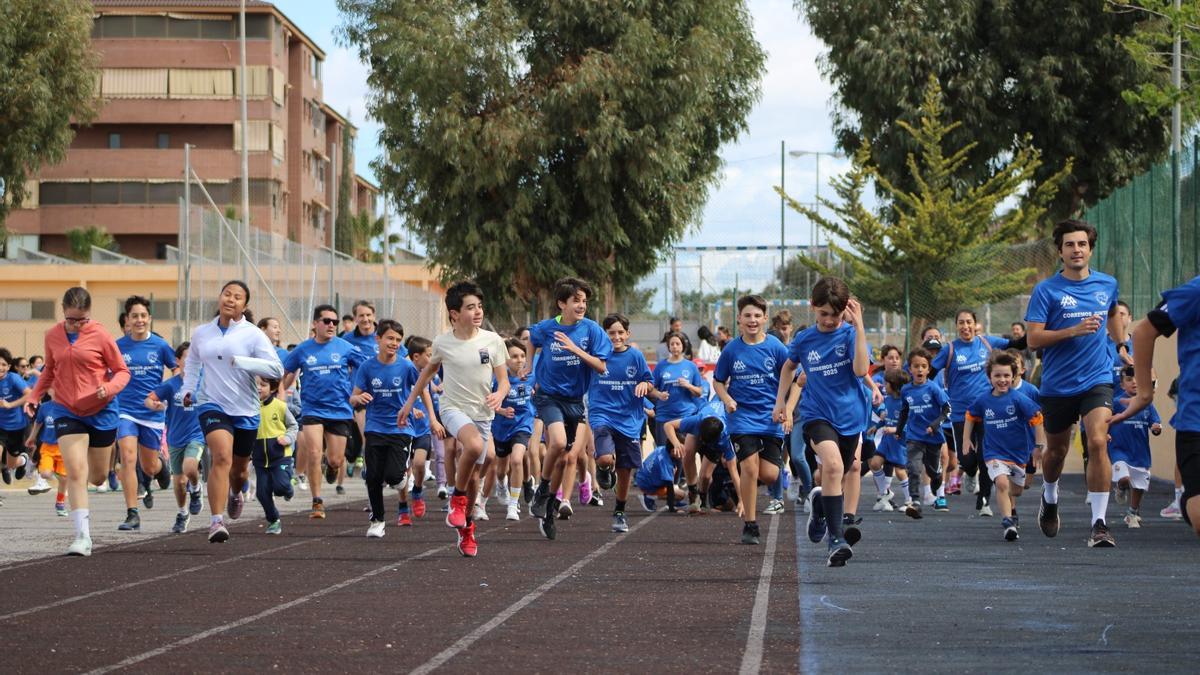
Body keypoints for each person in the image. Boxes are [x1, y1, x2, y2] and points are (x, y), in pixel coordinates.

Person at [1025, 219, 1124, 547]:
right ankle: (1050, 497)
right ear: (1060, 251)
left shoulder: (1107, 284)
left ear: (1090, 249)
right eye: (1069, 245)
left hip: (1097, 379)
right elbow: (1034, 339)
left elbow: (1112, 314)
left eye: (1082, 244)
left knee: (1097, 442)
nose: (1076, 250)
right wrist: (1073, 330)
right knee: (1056, 452)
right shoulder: (1046, 290)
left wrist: (1121, 346)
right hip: (1057, 385)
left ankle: (1099, 523)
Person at [397, 281, 509, 557]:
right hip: (453, 408)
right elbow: (427, 372)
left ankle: (467, 527)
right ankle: (456, 499)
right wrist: (409, 403)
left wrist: (500, 395)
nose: (478, 311)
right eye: (471, 307)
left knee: (473, 478)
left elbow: (504, 381)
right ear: (454, 314)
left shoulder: (492, 341)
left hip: (483, 413)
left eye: (480, 306)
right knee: (470, 448)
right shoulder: (443, 342)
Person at [26, 287, 131, 556]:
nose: (76, 325)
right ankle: (82, 536)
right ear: (63, 311)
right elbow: (50, 369)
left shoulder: (101, 335)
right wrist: (35, 396)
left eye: (81, 319)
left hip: (101, 409)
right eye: (71, 319)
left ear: (89, 314)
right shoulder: (53, 336)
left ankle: (105, 472)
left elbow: (122, 371)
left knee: (96, 477)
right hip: (66, 409)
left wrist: (108, 389)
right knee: (75, 470)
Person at [774, 278, 870, 566]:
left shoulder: (851, 335)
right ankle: (836, 539)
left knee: (834, 478)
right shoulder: (804, 340)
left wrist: (859, 326)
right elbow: (789, 367)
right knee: (834, 465)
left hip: (851, 417)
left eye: (836, 315)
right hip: (817, 414)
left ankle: (819, 508)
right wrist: (781, 402)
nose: (829, 321)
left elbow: (861, 369)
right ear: (813, 307)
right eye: (823, 314)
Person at [182, 280, 283, 543]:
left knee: (238, 471)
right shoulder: (202, 333)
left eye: (237, 297)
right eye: (227, 294)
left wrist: (244, 363)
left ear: (244, 305)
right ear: (219, 297)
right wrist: (188, 389)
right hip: (211, 404)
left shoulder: (252, 334)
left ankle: (235, 492)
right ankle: (216, 522)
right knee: (221, 457)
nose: (230, 299)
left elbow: (276, 370)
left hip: (246, 409)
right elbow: (192, 361)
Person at [1110, 274, 1200, 534]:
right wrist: (1145, 395)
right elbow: (1144, 332)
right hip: (1195, 418)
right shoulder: (1194, 292)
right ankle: (1187, 502)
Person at [527, 278, 612, 541]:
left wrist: (575, 349)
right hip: (549, 397)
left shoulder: (592, 330)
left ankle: (550, 507)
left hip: (576, 401)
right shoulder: (548, 328)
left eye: (585, 301)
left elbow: (601, 366)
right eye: (576, 300)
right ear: (562, 303)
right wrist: (530, 369)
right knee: (558, 444)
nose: (582, 305)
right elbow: (532, 338)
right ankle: (541, 489)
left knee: (566, 459)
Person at [930, 309, 1027, 516]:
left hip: (988, 411)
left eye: (969, 322)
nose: (965, 326)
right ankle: (969, 472)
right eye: (961, 323)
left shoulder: (986, 342)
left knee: (986, 457)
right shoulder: (950, 350)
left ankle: (984, 500)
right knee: (967, 460)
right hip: (960, 414)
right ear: (956, 326)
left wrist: (1037, 328)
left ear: (976, 324)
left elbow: (1018, 345)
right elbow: (928, 373)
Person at [712, 294, 788, 546]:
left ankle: (751, 488)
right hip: (741, 418)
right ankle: (750, 525)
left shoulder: (776, 347)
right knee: (749, 467)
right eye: (747, 316)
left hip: (770, 418)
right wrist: (727, 399)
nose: (752, 320)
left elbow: (790, 375)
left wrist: (784, 406)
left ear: (765, 319)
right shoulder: (732, 349)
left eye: (757, 316)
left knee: (769, 475)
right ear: (739, 319)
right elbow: (718, 381)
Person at [281, 304, 367, 519]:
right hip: (312, 408)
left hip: (339, 410)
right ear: (315, 324)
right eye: (326, 321)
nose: (331, 325)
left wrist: (357, 392)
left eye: (334, 322)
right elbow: (286, 371)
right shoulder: (302, 349)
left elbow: (366, 368)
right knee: (313, 452)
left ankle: (331, 466)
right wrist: (279, 392)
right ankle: (317, 501)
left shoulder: (345, 347)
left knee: (336, 460)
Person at [353, 320, 433, 536]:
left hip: (401, 429)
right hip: (375, 427)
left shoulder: (406, 367)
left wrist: (432, 419)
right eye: (390, 338)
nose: (394, 343)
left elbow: (422, 390)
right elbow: (353, 397)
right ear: (378, 339)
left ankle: (401, 479)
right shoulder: (367, 367)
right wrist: (358, 397)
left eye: (398, 340)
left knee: (394, 477)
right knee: (373, 477)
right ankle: (377, 521)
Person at [963, 352, 1047, 542]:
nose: (1002, 380)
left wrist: (1038, 446)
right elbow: (970, 416)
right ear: (989, 377)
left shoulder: (1019, 399)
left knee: (1017, 490)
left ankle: (1009, 506)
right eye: (997, 376)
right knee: (1001, 483)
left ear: (1014, 376)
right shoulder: (983, 400)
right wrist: (966, 440)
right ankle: (1008, 522)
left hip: (1018, 453)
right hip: (994, 452)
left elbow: (1038, 419)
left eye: (1006, 376)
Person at [114, 295, 177, 531]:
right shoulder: (118, 346)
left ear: (149, 318)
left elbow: (178, 370)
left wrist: (165, 395)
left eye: (143, 316)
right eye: (134, 316)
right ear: (127, 320)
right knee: (128, 458)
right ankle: (132, 513)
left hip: (152, 413)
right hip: (125, 411)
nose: (139, 320)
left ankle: (162, 467)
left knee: (149, 466)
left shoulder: (160, 345)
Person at [588, 314, 655, 531]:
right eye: (611, 333)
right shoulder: (597, 356)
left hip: (629, 420)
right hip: (602, 415)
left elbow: (648, 380)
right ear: (604, 334)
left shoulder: (635, 356)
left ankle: (619, 510)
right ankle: (604, 467)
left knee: (625, 470)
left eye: (620, 332)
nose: (616, 337)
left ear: (627, 334)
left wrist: (645, 385)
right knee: (606, 457)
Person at [145, 342, 206, 533]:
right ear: (178, 361)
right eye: (187, 358)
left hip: (197, 434)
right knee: (179, 482)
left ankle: (196, 489)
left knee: (190, 466)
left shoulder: (205, 381)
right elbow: (149, 398)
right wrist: (153, 405)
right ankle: (182, 513)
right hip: (175, 437)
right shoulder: (171, 385)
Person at [897, 348, 951, 517]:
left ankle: (937, 488)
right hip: (914, 436)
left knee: (933, 471)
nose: (919, 369)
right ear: (910, 369)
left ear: (928, 369)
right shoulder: (906, 390)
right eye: (916, 366)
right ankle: (915, 502)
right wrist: (899, 429)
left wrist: (934, 425)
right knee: (913, 467)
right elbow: (904, 411)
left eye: (923, 366)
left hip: (933, 437)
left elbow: (947, 409)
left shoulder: (934, 389)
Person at [1108, 366, 1161, 528]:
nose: (1134, 382)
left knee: (1139, 485)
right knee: (1124, 477)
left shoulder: (1147, 404)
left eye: (1138, 379)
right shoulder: (1116, 403)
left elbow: (1156, 422)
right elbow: (1105, 419)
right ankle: (1121, 486)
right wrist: (1104, 433)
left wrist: (1156, 427)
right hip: (1119, 450)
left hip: (1140, 452)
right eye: (1129, 379)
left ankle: (1132, 512)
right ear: (1122, 385)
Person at [490, 338, 535, 522]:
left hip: (523, 424)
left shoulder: (531, 376)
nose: (519, 360)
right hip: (501, 427)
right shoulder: (497, 380)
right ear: (505, 360)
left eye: (522, 356)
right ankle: (501, 484)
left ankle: (513, 505)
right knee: (501, 469)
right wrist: (501, 410)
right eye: (514, 356)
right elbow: (487, 402)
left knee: (517, 460)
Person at [404, 336, 446, 520]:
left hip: (421, 428)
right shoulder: (403, 371)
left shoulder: (426, 373)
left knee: (419, 464)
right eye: (429, 355)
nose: (432, 358)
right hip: (403, 427)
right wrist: (410, 409)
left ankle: (418, 490)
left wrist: (431, 418)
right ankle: (402, 507)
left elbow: (426, 392)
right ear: (415, 357)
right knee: (400, 472)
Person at [252, 376, 298, 535]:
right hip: (259, 458)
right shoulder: (249, 407)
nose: (258, 388)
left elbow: (293, 426)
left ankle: (288, 489)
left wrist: (288, 439)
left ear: (272, 388)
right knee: (261, 493)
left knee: (281, 487)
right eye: (256, 384)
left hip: (280, 455)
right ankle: (273, 520)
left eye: (263, 385)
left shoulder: (280, 406)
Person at [650, 332, 703, 447]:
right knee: (664, 453)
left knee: (685, 454)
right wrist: (659, 394)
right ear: (668, 346)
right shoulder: (661, 366)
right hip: (664, 416)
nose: (675, 346)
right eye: (672, 344)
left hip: (685, 416)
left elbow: (699, 392)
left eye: (678, 344)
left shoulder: (691, 366)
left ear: (683, 346)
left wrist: (689, 386)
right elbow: (650, 389)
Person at [25, 398, 68, 515]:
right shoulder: (44, 407)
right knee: (45, 474)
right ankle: (54, 472)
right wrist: (32, 437)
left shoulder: (68, 404)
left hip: (63, 446)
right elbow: (38, 422)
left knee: (64, 479)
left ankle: (60, 502)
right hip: (47, 447)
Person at [0, 348, 33, 485]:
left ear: (8, 367)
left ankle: (23, 460)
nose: (0, 367)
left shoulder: (13, 378)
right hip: (0, 426)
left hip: (16, 427)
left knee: (12, 464)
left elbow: (29, 394)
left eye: (3, 364)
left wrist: (10, 405)